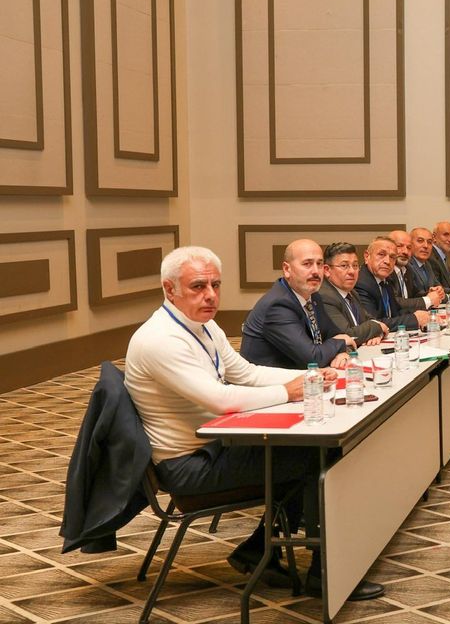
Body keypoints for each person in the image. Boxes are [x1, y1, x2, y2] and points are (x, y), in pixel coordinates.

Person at [123, 247, 384, 600]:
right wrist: (288, 391)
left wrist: (308, 376)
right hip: (188, 466)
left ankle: (259, 550)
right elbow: (220, 399)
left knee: (303, 450)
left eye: (216, 285)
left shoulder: (202, 325)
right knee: (319, 457)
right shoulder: (161, 339)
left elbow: (245, 373)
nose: (210, 295)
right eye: (198, 286)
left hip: (213, 446)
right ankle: (325, 575)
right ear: (170, 290)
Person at [239, 239, 356, 369]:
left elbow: (335, 335)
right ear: (287, 269)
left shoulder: (313, 296)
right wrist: (341, 344)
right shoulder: (278, 305)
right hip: (270, 380)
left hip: (302, 375)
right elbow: (312, 359)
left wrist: (343, 352)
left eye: (319, 264)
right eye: (307, 264)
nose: (316, 271)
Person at [313, 242, 386, 346]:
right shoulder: (324, 296)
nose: (352, 271)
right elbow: (347, 335)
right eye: (344, 266)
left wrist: (376, 334)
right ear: (327, 270)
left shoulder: (352, 293)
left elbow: (370, 320)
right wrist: (378, 328)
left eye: (355, 265)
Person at [354, 237, 433, 331]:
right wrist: (415, 319)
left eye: (392, 257)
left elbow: (395, 312)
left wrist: (423, 315)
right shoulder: (361, 283)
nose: (387, 261)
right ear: (367, 256)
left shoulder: (386, 279)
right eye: (381, 254)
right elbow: (374, 323)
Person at [389, 230, 445, 310]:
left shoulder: (407, 269)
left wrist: (431, 293)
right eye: (399, 246)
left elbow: (414, 296)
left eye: (409, 248)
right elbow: (393, 302)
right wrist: (428, 300)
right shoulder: (386, 271)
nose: (405, 252)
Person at [407, 227, 439, 292]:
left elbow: (437, 286)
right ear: (410, 244)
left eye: (429, 242)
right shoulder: (407, 265)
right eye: (420, 241)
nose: (426, 246)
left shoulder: (428, 264)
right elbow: (416, 294)